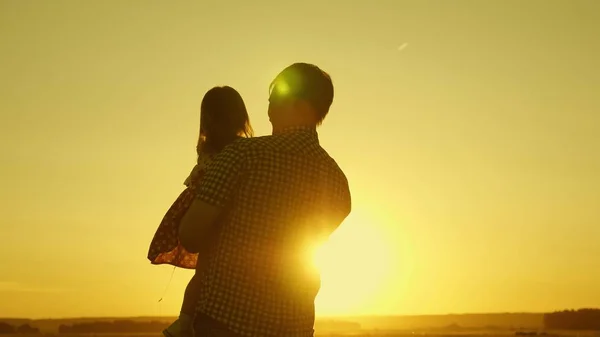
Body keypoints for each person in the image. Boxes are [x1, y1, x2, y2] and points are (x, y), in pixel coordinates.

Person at [179, 63, 352, 337]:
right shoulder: (339, 184)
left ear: (295, 103)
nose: (269, 112)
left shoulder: (241, 156)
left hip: (224, 322)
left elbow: (190, 235)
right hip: (294, 326)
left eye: (273, 101)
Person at [147, 86, 253, 337]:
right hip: (214, 211)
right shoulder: (242, 151)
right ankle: (186, 320)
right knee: (207, 271)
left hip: (205, 210)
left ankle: (185, 320)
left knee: (204, 272)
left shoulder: (213, 150)